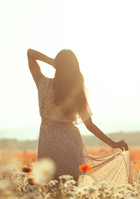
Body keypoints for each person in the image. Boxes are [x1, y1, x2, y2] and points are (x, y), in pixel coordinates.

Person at [27, 48, 133, 186]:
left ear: (57, 66)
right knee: (71, 190)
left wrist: (52, 62)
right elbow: (90, 125)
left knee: (52, 190)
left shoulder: (43, 84)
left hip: (49, 144)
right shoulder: (75, 92)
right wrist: (113, 144)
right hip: (71, 145)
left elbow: (30, 53)